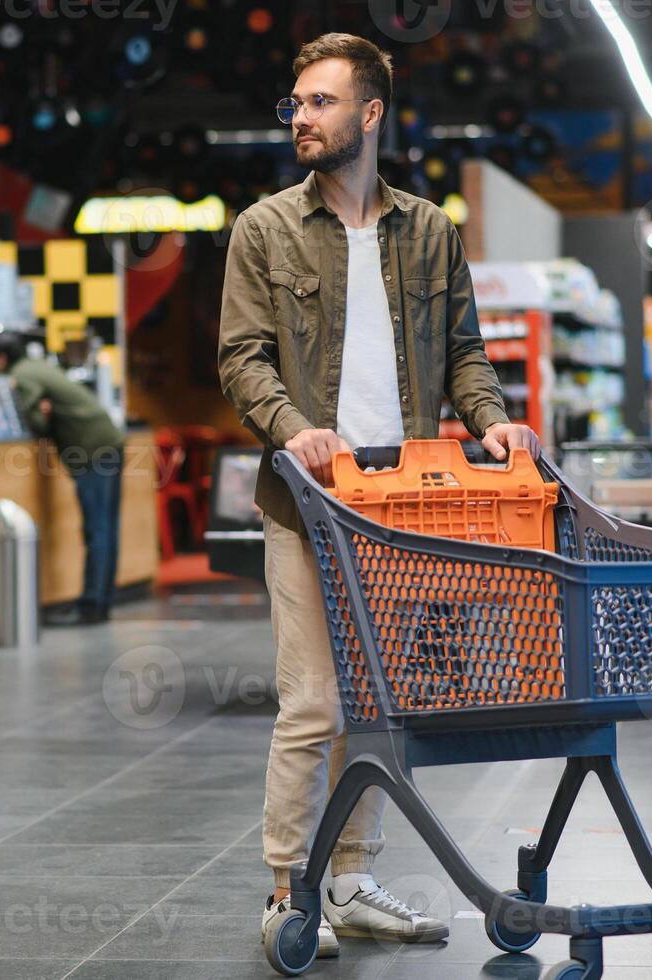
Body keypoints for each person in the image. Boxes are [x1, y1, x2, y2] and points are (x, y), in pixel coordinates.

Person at [217, 33, 543, 956]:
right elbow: (241, 357)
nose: (299, 120)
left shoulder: (430, 231)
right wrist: (291, 429)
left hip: (403, 508)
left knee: (380, 704)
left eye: (319, 103)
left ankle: (351, 879)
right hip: (306, 504)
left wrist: (490, 420)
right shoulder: (264, 229)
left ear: (368, 113)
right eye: (294, 104)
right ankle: (289, 892)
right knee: (313, 701)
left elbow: (465, 353)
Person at [0, 336, 126, 626]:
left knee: (96, 529)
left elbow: (35, 424)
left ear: (1, 359)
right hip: (109, 439)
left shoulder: (20, 375)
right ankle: (102, 602)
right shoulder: (37, 365)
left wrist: (41, 414)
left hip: (91, 448)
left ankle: (91, 605)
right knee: (108, 527)